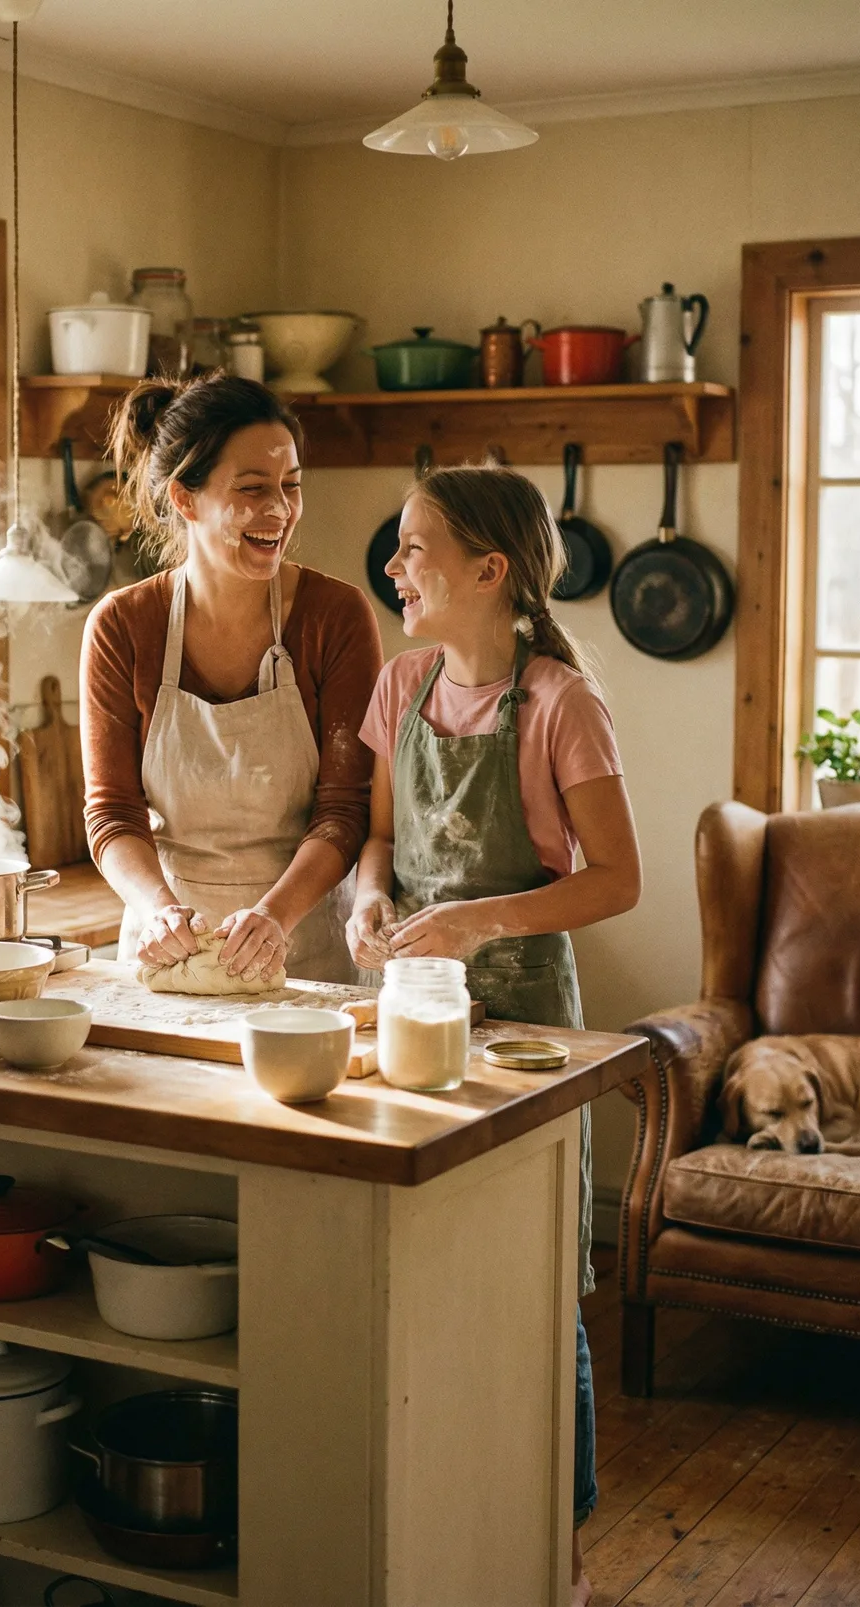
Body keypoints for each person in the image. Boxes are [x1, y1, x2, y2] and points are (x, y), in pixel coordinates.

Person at [346, 463, 642, 1607]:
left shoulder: (562, 701)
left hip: (527, 1027)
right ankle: (443, 1522)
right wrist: (368, 899)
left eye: (413, 547)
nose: (393, 566)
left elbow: (616, 880)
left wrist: (479, 919)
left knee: (539, 1284)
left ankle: (556, 1544)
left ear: (489, 569)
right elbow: (378, 839)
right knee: (428, 1256)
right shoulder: (401, 683)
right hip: (414, 1008)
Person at [81, 373, 382, 985]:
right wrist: (159, 911)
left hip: (305, 952)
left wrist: (274, 916)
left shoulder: (334, 617)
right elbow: (112, 814)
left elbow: (345, 808)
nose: (280, 510)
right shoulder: (123, 626)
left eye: (290, 486)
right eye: (252, 488)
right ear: (185, 499)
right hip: (167, 952)